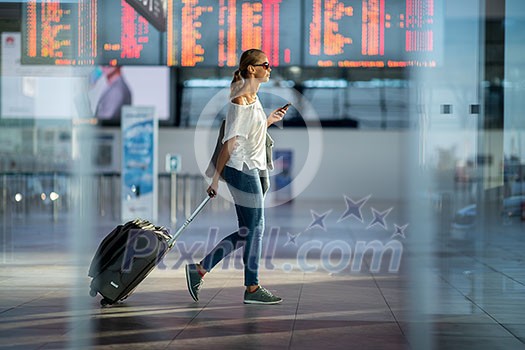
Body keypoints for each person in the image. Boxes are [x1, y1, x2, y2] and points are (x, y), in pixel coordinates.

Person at [185, 49, 289, 305]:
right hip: (241, 168)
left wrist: (268, 121)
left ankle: (199, 270)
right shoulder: (241, 100)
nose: (270, 68)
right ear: (252, 69)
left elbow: (248, 134)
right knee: (257, 228)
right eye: (266, 64)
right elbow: (228, 144)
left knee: (247, 231)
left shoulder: (253, 96)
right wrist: (216, 179)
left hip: (251, 165)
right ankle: (252, 288)